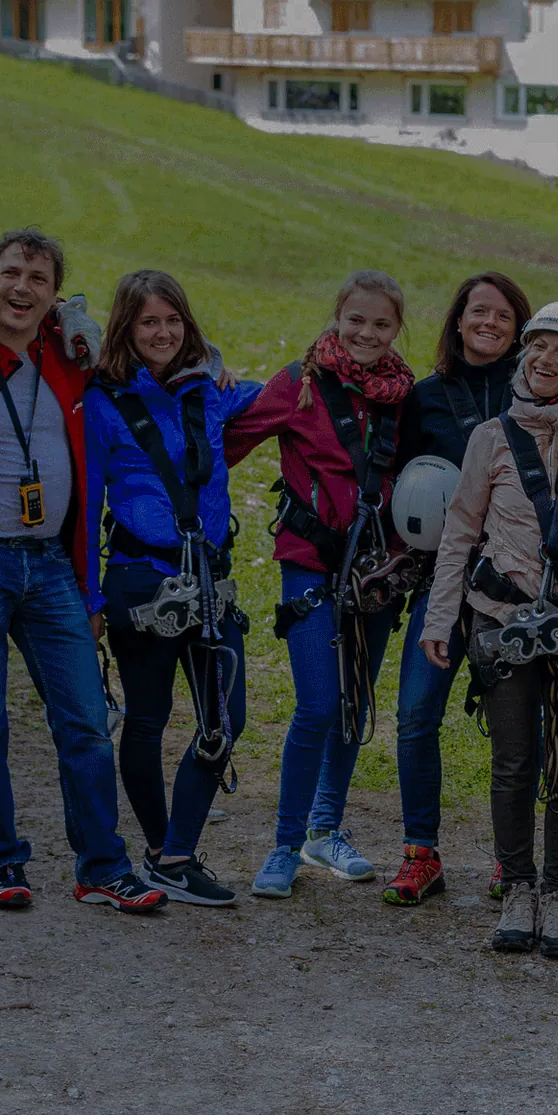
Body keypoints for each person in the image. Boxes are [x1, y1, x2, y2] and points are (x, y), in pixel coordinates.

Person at [0, 228, 165, 914]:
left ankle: (101, 866)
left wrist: (221, 372)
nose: (22, 287)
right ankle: (1, 862)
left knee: (83, 719)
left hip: (54, 567)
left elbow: (155, 371)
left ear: (54, 296)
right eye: (12, 273)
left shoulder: (73, 359)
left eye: (39, 279)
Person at [422, 302, 558, 960]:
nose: (544, 360)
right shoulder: (490, 437)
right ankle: (517, 885)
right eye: (536, 347)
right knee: (513, 759)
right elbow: (459, 532)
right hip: (503, 615)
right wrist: (439, 617)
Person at [226, 271, 416, 900]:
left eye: (381, 324)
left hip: (375, 571)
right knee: (317, 705)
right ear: (337, 316)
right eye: (355, 320)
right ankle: (284, 844)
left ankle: (324, 829)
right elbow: (229, 440)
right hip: (309, 560)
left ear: (396, 330)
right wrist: (214, 391)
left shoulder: (401, 395)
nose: (366, 333)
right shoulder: (297, 385)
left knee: (354, 703)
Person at [84, 270, 263, 907]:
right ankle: (163, 854)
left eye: (173, 321)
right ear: (126, 330)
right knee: (148, 717)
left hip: (210, 579)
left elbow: (278, 402)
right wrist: (91, 599)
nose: (162, 333)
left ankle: (178, 851)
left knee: (227, 715)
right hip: (141, 579)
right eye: (148, 323)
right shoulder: (101, 403)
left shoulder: (210, 394)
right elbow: (86, 505)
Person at [385, 271, 533, 907]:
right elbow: (401, 484)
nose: (490, 323)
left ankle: (512, 857)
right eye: (479, 311)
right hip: (444, 579)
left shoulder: (537, 394)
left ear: (519, 326)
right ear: (459, 319)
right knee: (416, 714)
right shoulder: (424, 398)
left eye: (503, 315)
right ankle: (422, 852)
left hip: (515, 584)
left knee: (516, 727)